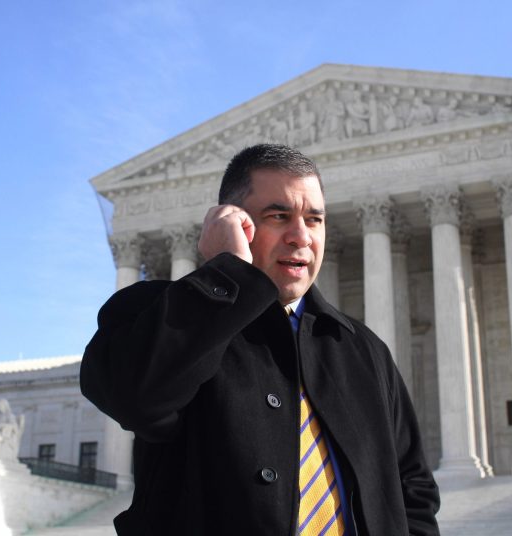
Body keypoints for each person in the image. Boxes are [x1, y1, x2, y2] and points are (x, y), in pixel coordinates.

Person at [81, 144, 440, 535]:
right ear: (232, 223)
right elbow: (135, 399)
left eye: (314, 219)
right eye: (279, 216)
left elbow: (412, 485)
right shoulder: (159, 315)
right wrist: (226, 274)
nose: (301, 237)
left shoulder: (364, 350)